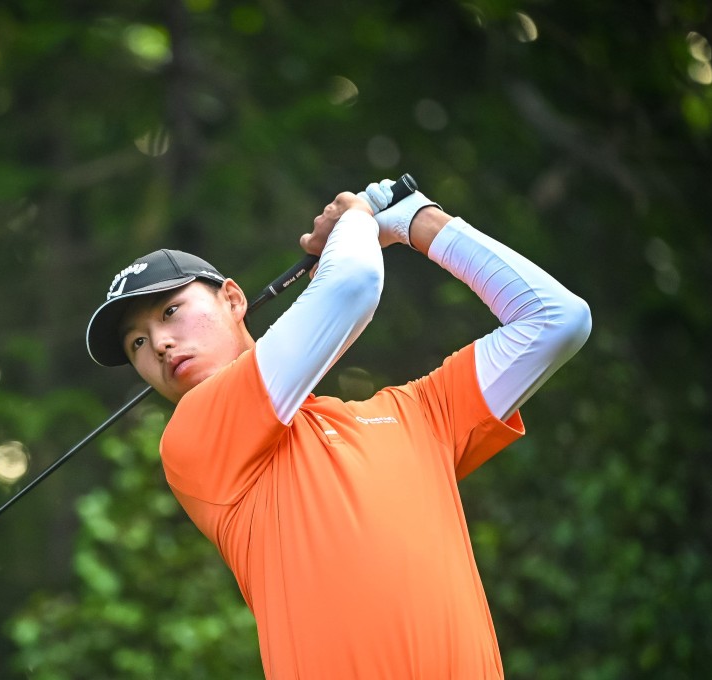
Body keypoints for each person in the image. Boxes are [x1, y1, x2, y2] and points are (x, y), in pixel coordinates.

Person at [85, 176, 591, 679]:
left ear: (234, 300)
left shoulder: (417, 414)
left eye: (170, 312)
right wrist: (357, 217)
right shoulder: (194, 435)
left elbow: (556, 320)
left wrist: (417, 221)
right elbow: (351, 286)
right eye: (137, 344)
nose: (159, 345)